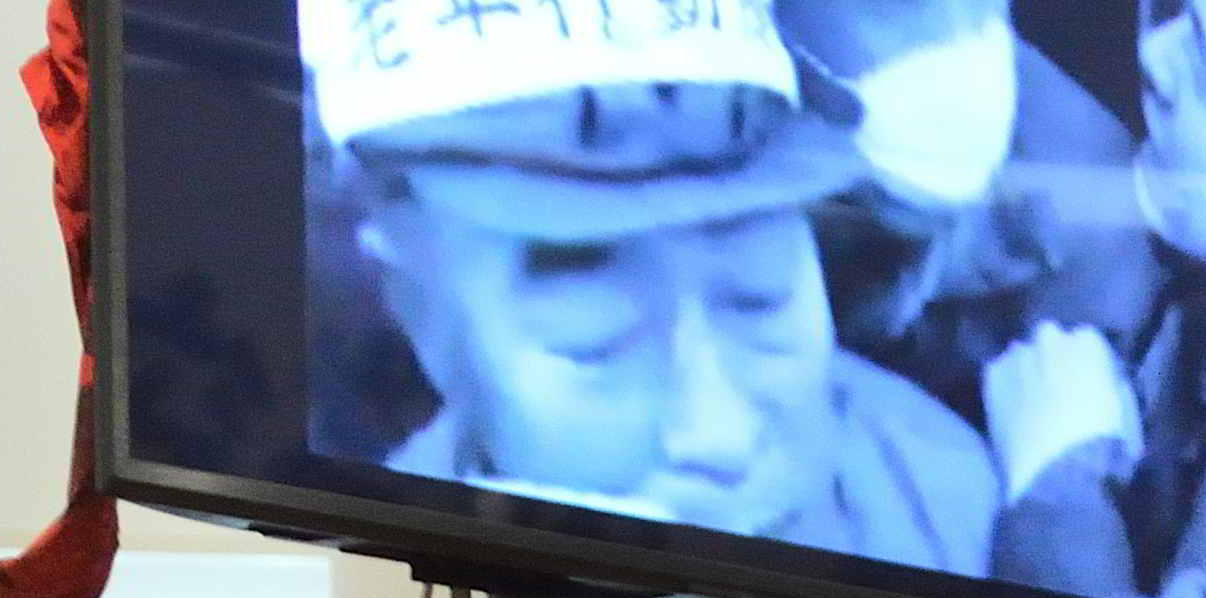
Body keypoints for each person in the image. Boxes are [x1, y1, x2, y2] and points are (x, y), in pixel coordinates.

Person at [312, 0, 1000, 569]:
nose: (720, 433)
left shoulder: (937, 477)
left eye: (764, 301)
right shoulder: (376, 580)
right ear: (422, 312)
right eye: (591, 344)